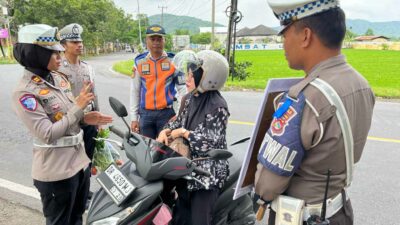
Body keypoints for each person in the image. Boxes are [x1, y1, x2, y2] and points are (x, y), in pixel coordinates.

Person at [254, 1, 375, 225]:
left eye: (284, 34)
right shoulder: (361, 84)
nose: (283, 44)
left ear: (306, 36)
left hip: (301, 217)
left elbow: (267, 187)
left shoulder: (304, 98)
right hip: (340, 212)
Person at [12, 24, 113, 225]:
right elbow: (47, 133)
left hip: (78, 163)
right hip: (56, 172)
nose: (59, 56)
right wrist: (79, 108)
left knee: (77, 217)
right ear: (36, 54)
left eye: (59, 51)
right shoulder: (25, 92)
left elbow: (67, 115)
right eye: (53, 52)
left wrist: (85, 118)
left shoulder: (58, 78)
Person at [157, 50, 230, 225]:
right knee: (180, 218)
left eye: (192, 75)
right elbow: (177, 122)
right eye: (188, 74)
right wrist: (164, 131)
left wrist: (183, 133)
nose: (187, 79)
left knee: (199, 221)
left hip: (206, 174)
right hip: (186, 167)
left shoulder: (218, 106)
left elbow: (209, 144)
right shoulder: (189, 98)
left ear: (209, 78)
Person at [130, 24, 186, 139]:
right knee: (147, 152)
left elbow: (182, 90)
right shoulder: (139, 62)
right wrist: (134, 118)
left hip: (166, 114)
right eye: (152, 39)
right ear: (146, 41)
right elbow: (135, 91)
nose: (156, 42)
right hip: (145, 115)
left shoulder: (174, 61)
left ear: (164, 40)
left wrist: (180, 114)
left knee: (167, 150)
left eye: (159, 39)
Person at [58, 23, 99, 166]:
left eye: (80, 41)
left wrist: (98, 118)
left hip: (89, 120)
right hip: (70, 121)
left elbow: (94, 95)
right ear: (64, 46)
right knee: (71, 162)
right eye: (74, 42)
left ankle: (85, 187)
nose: (79, 45)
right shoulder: (58, 69)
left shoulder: (87, 68)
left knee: (88, 158)